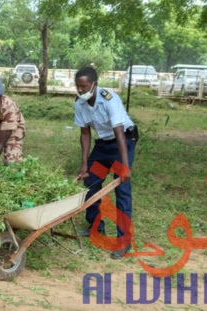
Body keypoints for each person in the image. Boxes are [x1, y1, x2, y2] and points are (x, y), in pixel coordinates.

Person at [73, 66, 139, 259]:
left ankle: (124, 241)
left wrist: (125, 167)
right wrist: (84, 163)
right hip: (102, 146)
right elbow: (84, 133)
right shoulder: (80, 103)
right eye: (77, 86)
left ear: (94, 84)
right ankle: (95, 226)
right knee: (91, 182)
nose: (80, 90)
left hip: (122, 143)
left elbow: (119, 132)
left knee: (122, 189)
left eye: (83, 86)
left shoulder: (110, 99)